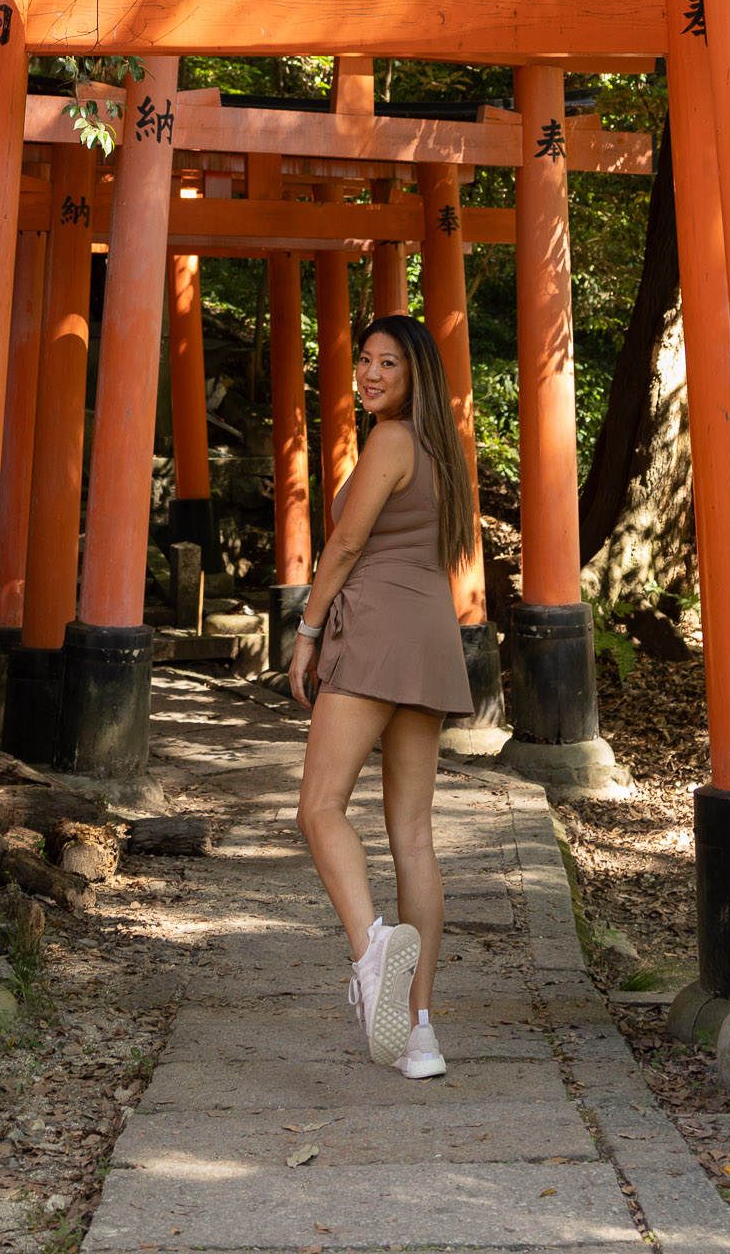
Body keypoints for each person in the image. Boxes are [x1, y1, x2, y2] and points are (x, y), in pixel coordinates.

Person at [288, 313, 477, 1080]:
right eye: (363, 359)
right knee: (415, 837)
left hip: (374, 637)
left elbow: (346, 543)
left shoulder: (391, 441)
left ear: (415, 374)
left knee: (319, 807)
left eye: (387, 364)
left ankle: (372, 953)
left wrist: (306, 630)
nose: (369, 374)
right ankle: (421, 1035)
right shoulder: (440, 450)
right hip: (430, 641)